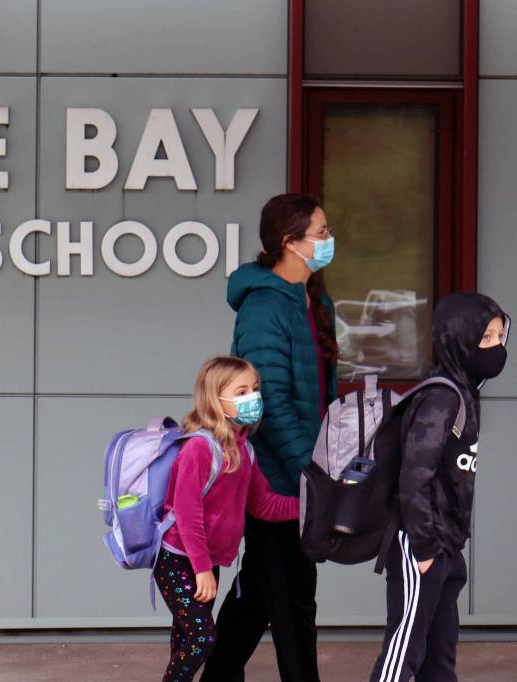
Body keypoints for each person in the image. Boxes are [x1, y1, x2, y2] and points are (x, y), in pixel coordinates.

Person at [201, 193, 338, 682]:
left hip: (307, 464)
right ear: (289, 242)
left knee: (262, 589)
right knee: (294, 598)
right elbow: (269, 403)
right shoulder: (263, 309)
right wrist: (309, 467)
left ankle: (217, 673)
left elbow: (323, 388)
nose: (328, 240)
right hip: (277, 474)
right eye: (320, 233)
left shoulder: (314, 299)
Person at [370, 293, 508, 682]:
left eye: (500, 337)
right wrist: (426, 546)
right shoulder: (441, 397)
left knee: (439, 658)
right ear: (458, 339)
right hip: (423, 545)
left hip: (447, 545)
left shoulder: (464, 392)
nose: (497, 347)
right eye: (486, 338)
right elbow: (414, 477)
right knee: (404, 653)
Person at [154, 356, 299, 682]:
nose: (253, 398)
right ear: (215, 400)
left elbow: (263, 505)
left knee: (185, 638)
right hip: (178, 560)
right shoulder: (199, 449)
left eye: (256, 389)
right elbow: (188, 515)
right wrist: (202, 569)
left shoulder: (244, 450)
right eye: (242, 391)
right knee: (201, 639)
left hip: (208, 562)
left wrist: (311, 509)